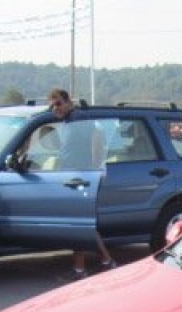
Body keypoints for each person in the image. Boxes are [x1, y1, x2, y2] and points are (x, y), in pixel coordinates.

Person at [47, 87, 116, 280]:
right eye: (52, 105)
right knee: (83, 225)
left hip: (80, 178)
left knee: (78, 224)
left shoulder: (79, 118)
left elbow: (98, 139)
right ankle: (106, 261)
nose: (55, 108)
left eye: (59, 103)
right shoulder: (67, 121)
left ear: (69, 101)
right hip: (70, 177)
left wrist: (92, 170)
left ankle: (81, 269)